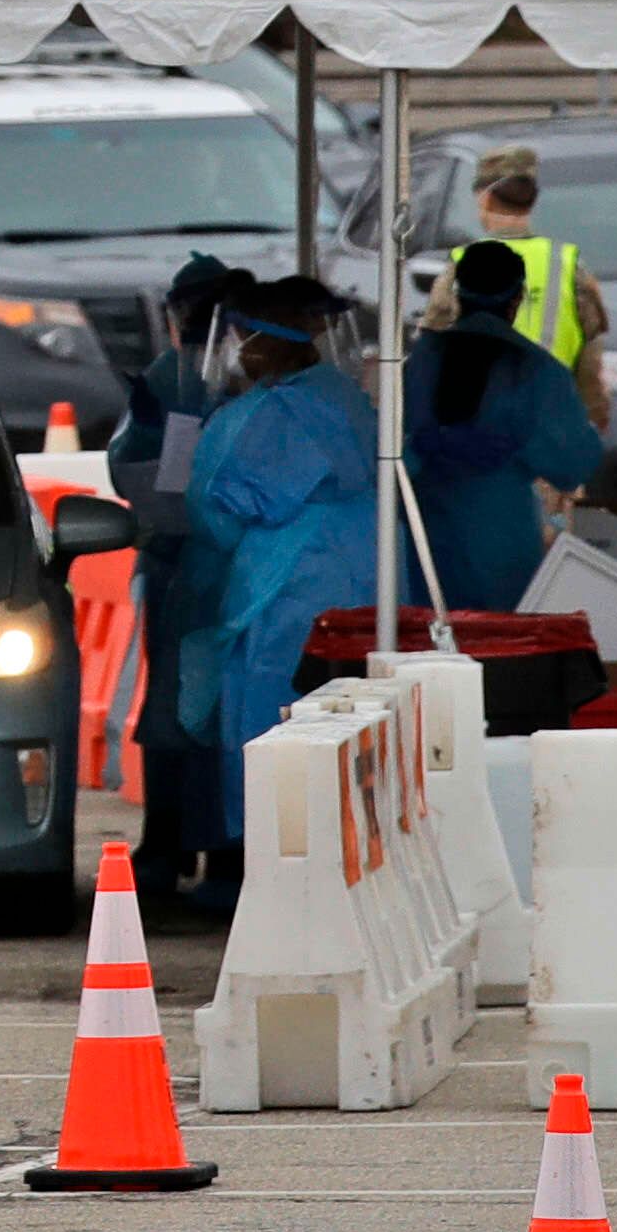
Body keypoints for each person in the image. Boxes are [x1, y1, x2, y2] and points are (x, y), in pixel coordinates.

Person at [191, 276, 377, 838]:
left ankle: (276, 848)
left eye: (242, 337)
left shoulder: (266, 416)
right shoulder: (347, 399)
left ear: (265, 340)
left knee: (272, 714)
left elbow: (218, 510)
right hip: (363, 570)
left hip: (283, 584)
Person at [114, 256, 248, 909]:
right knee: (202, 711)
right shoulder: (207, 377)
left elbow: (129, 468)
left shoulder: (195, 377)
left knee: (184, 711)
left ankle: (177, 850)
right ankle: (199, 850)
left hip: (200, 565)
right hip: (216, 567)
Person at [404, 240, 595, 613]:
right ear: (518, 297)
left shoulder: (421, 360)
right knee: (500, 644)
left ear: (455, 292)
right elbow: (572, 463)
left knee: (428, 645)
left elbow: (391, 444)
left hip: (425, 530)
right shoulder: (536, 369)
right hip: (500, 534)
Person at [467, 145, 615, 426]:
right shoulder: (570, 267)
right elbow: (590, 362)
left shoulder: (462, 267)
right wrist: (594, 420)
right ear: (532, 201)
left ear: (484, 200)